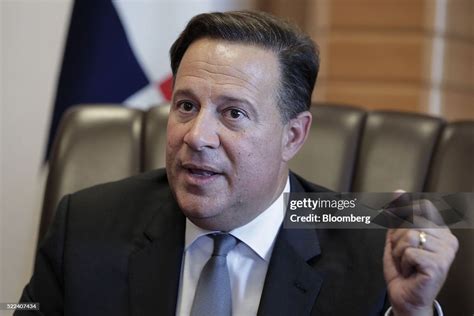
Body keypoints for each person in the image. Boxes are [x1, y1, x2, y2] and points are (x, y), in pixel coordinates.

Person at [17, 11, 458, 316]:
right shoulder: (86, 224)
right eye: (186, 105)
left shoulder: (372, 246)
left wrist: (413, 311)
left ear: (293, 135)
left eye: (233, 113)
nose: (197, 136)